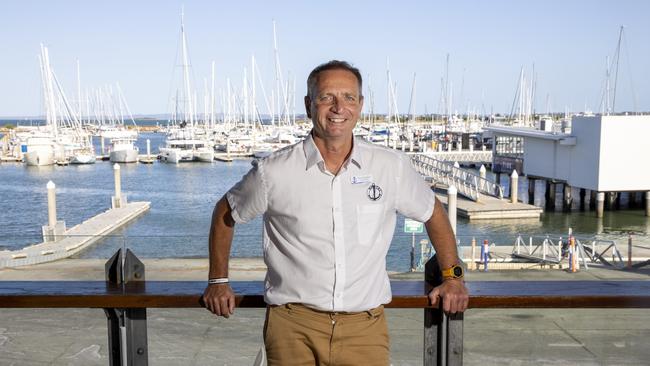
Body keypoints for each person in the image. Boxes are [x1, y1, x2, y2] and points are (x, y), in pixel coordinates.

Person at [203, 60, 468, 365]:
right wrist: (218, 281)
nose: (338, 107)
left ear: (360, 105)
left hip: (364, 330)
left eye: (349, 97)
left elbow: (433, 212)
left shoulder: (390, 167)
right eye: (327, 97)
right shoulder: (273, 171)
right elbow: (226, 213)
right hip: (292, 327)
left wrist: (452, 276)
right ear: (308, 104)